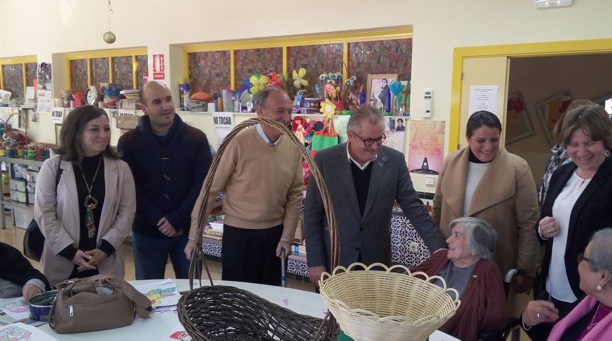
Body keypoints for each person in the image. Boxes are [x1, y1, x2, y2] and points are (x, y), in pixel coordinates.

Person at [304, 106, 445, 284]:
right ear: (350, 134)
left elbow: (414, 208)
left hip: (376, 262)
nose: (375, 147)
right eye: (369, 141)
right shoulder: (325, 160)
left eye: (380, 140)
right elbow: (312, 215)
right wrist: (315, 262)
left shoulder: (394, 161)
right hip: (335, 260)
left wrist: (440, 250)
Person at [537, 101, 612, 316]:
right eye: (572, 144)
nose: (581, 152)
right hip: (553, 289)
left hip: (596, 296)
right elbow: (544, 220)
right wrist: (542, 230)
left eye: (589, 143)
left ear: (606, 140)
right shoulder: (561, 174)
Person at [185, 87, 303, 285]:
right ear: (260, 111)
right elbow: (210, 190)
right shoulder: (238, 141)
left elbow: (295, 195)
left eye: (289, 111)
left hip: (274, 235)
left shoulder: (292, 146)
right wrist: (194, 236)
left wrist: (287, 236)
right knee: (237, 300)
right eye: (279, 111)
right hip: (239, 235)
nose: (286, 117)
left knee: (269, 301)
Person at [432, 110, 540, 287]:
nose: (488, 147)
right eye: (480, 141)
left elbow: (529, 224)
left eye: (494, 140)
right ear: (468, 138)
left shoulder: (517, 168)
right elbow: (437, 210)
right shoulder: (450, 162)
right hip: (451, 260)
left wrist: (524, 269)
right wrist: (435, 251)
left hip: (496, 262)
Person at [118, 81, 212, 280]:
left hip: (188, 232)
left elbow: (202, 185)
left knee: (192, 294)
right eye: (157, 102)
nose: (166, 106)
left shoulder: (196, 139)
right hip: (147, 231)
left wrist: (177, 219)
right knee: (150, 295)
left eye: (168, 99)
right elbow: (130, 188)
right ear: (144, 108)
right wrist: (159, 221)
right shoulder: (129, 142)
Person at [34, 105, 135, 286]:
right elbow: (45, 214)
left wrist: (105, 249)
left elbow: (127, 213)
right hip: (63, 260)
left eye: (106, 129)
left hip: (105, 262)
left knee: (107, 311)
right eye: (94, 129)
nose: (103, 135)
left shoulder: (120, 169)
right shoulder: (52, 167)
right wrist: (70, 252)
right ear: (77, 133)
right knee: (64, 312)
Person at [412, 217, 506, 341]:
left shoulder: (487, 270)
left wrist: (467, 316)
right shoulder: (441, 257)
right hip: (414, 330)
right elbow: (410, 280)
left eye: (456, 235)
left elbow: (496, 318)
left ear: (476, 247)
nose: (448, 240)